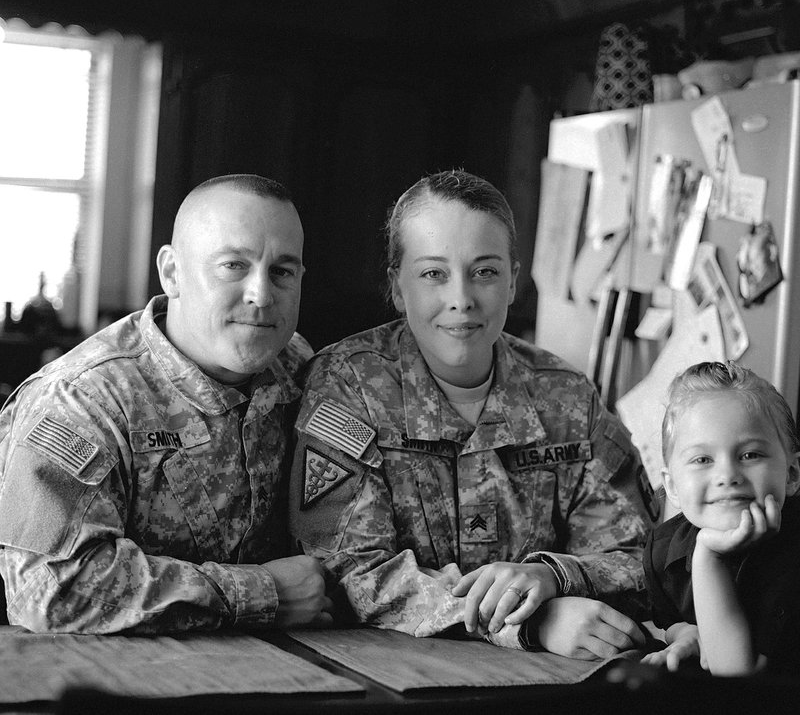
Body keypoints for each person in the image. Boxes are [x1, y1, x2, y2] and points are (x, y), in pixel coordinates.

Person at [289, 170, 658, 658]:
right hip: (390, 674)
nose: (461, 298)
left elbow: (641, 557)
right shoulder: (349, 384)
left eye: (484, 271)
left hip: (548, 683)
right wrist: (529, 620)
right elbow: (349, 570)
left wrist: (553, 575)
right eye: (433, 274)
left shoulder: (567, 397)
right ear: (397, 288)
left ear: (512, 282)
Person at [0, 174, 332, 634]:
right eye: (233, 265)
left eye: (282, 271)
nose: (261, 294)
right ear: (172, 272)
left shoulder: (298, 366)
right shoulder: (81, 399)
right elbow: (49, 591)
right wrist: (260, 592)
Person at [642, 361, 800, 676]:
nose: (727, 475)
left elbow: (737, 674)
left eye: (750, 455)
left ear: (791, 474)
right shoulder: (662, 548)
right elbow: (662, 621)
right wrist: (686, 633)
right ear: (672, 485)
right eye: (702, 459)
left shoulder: (791, 556)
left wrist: (708, 555)